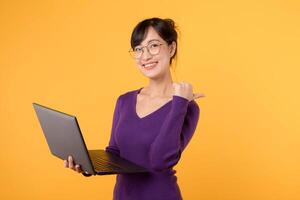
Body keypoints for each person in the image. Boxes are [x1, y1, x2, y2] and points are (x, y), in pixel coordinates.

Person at [64, 17, 205, 200]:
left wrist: (179, 103)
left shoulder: (186, 107)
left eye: (153, 46)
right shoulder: (124, 101)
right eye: (138, 49)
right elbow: (114, 153)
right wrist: (87, 164)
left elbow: (160, 160)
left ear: (171, 48)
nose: (145, 56)